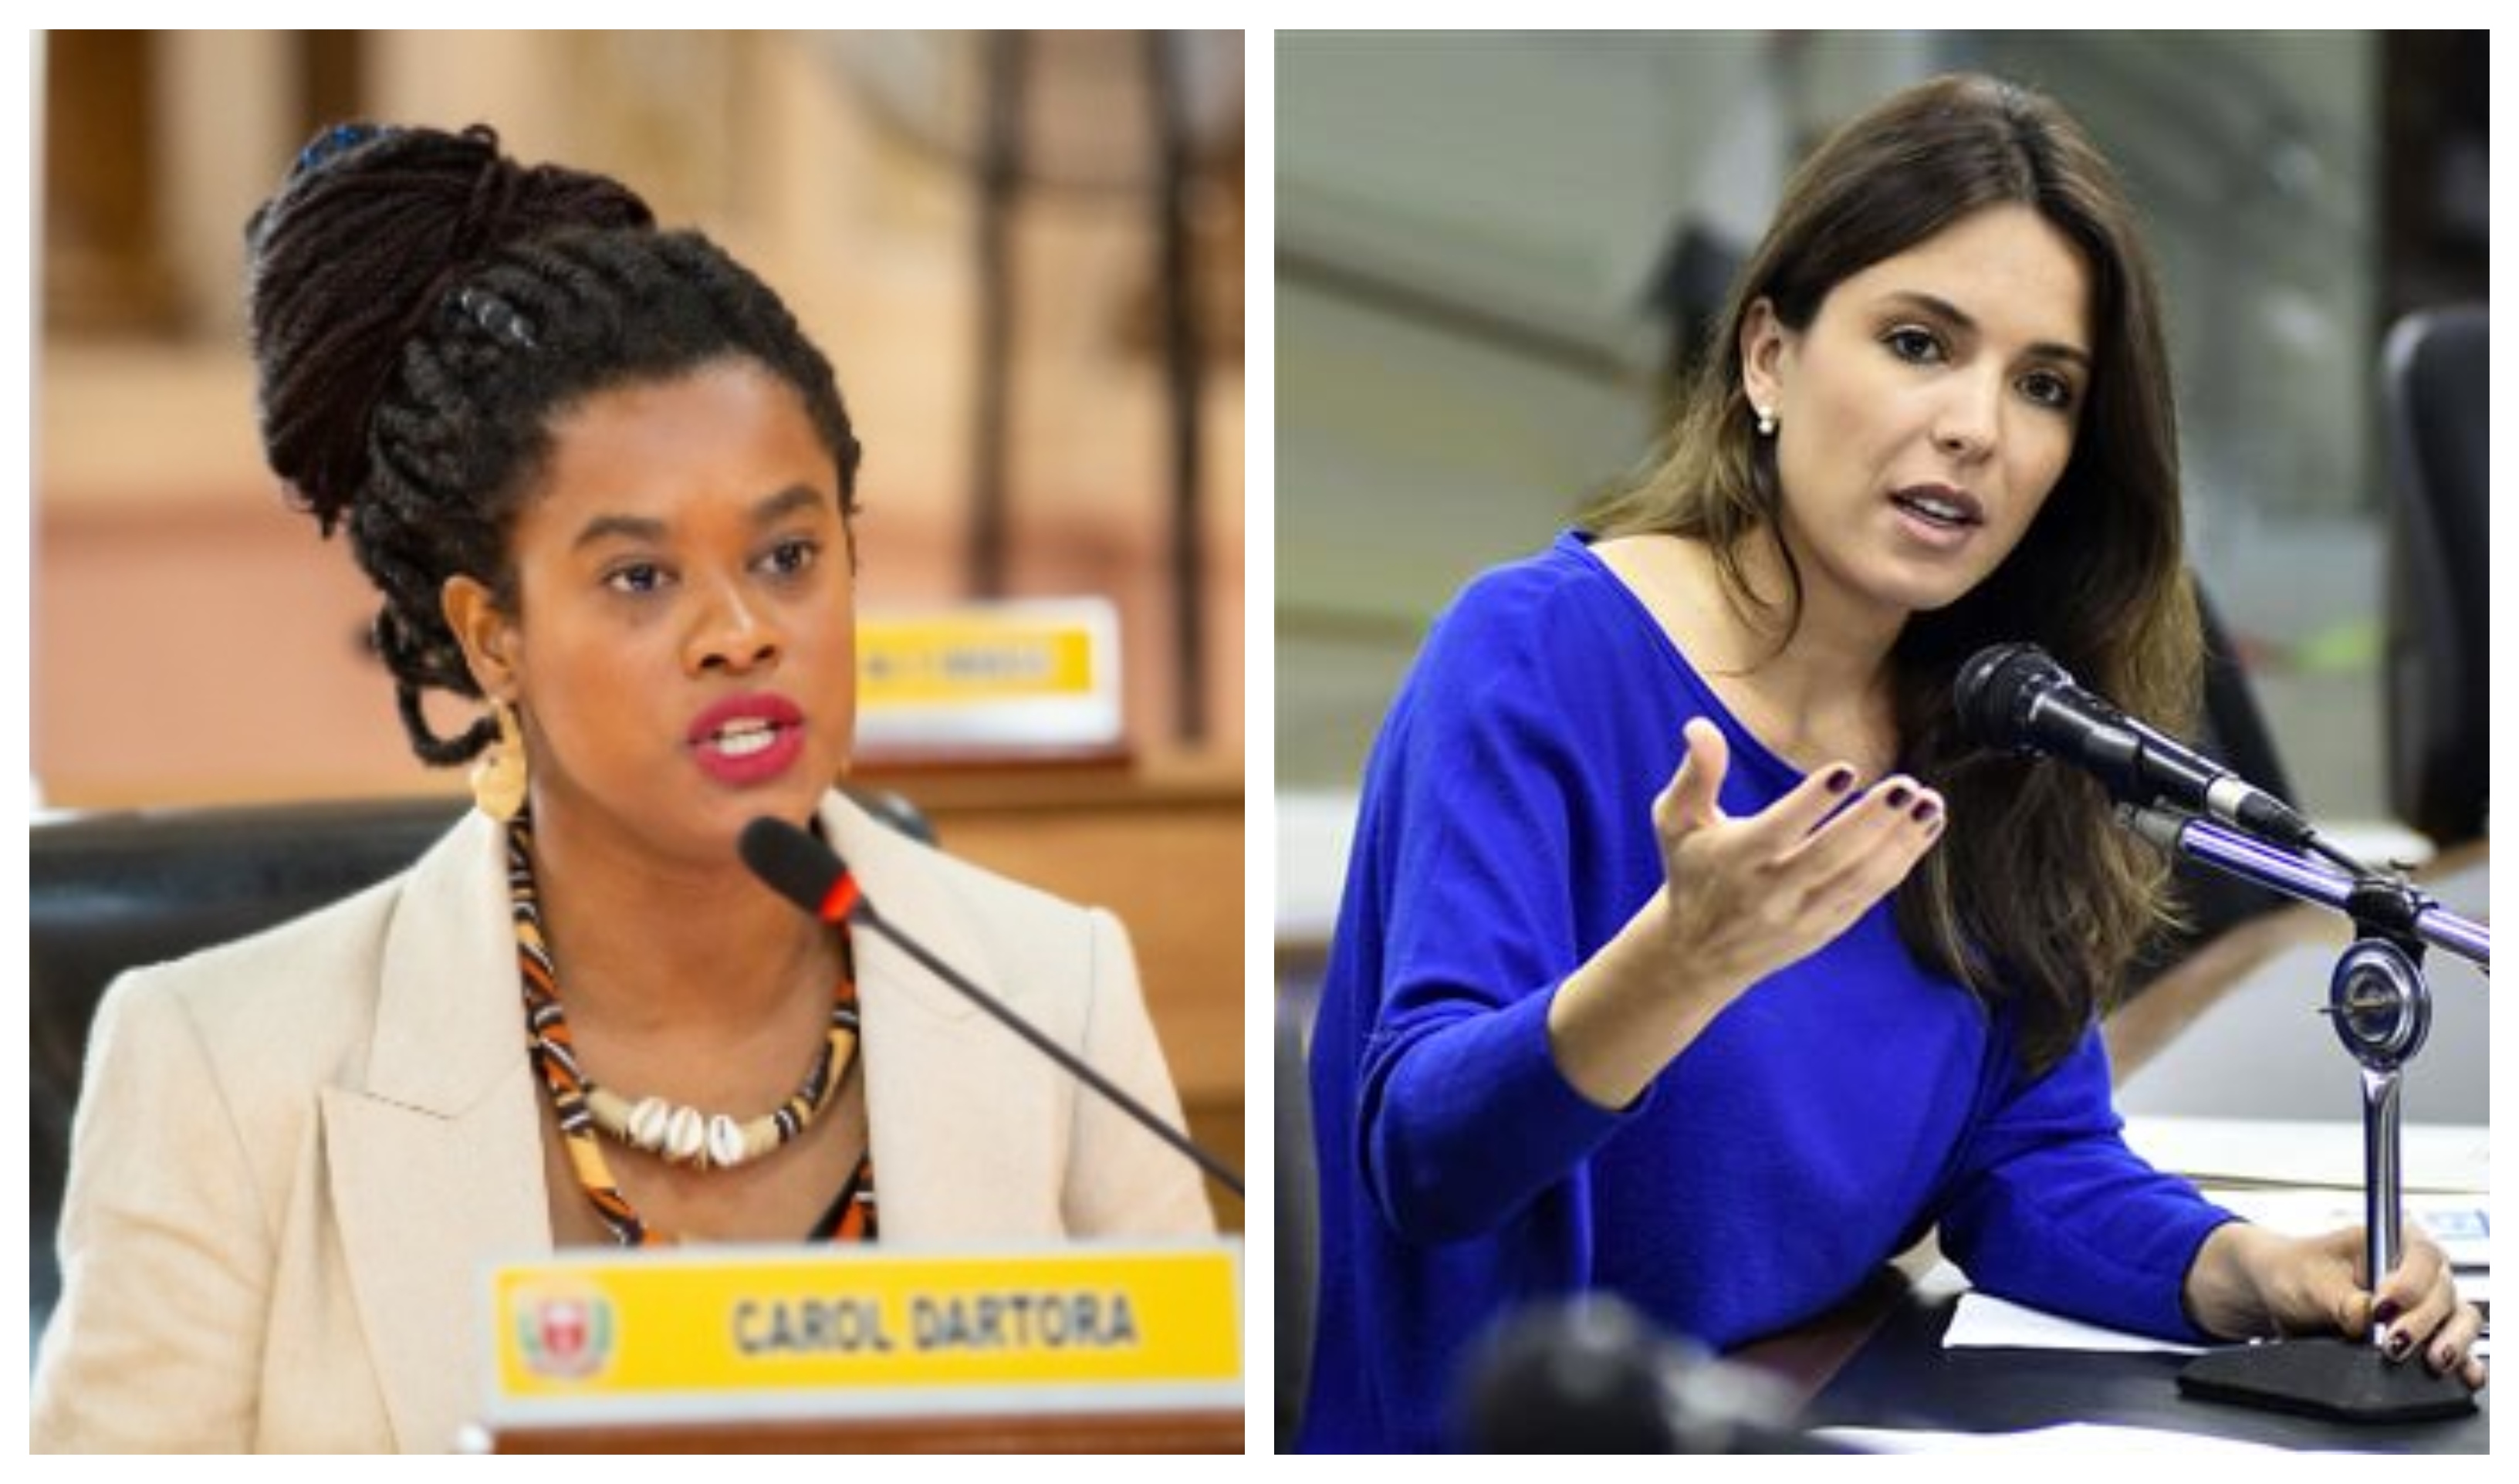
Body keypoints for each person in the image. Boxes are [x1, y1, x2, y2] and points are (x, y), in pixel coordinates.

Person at [1298, 74, 2484, 1452]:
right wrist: (1676, 963)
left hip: (1807, 1428)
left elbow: (2028, 1165)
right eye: (1921, 343)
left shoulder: (1997, 713)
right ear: (1767, 359)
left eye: (2044, 387)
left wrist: (2251, 1272)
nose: (1979, 426)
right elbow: (1425, 1160)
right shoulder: (1534, 654)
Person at [32, 122, 1213, 1453]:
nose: (740, 632)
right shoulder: (222, 1072)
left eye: (788, 555)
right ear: (495, 639)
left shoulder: (1054, 997)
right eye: (641, 578)